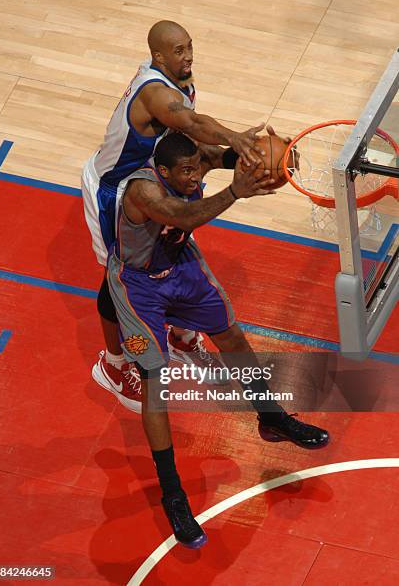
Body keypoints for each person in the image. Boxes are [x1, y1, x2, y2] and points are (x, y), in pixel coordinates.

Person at [107, 132, 329, 549]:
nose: (194, 176)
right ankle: (173, 493)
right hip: (138, 287)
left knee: (233, 339)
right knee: (157, 386)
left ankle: (271, 417)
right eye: (186, 172)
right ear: (166, 171)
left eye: (197, 168)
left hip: (180, 268)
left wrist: (276, 161)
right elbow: (184, 216)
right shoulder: (144, 191)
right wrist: (236, 191)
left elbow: (231, 155)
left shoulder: (195, 163)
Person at [81, 20, 270, 412]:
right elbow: (193, 123)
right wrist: (236, 138)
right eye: (179, 51)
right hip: (116, 190)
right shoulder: (153, 91)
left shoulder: (181, 80)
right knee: (120, 278)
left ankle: (183, 337)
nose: (188, 56)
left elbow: (195, 141)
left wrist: (250, 156)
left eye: (189, 47)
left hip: (158, 178)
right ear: (158, 57)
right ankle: (114, 365)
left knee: (177, 253)